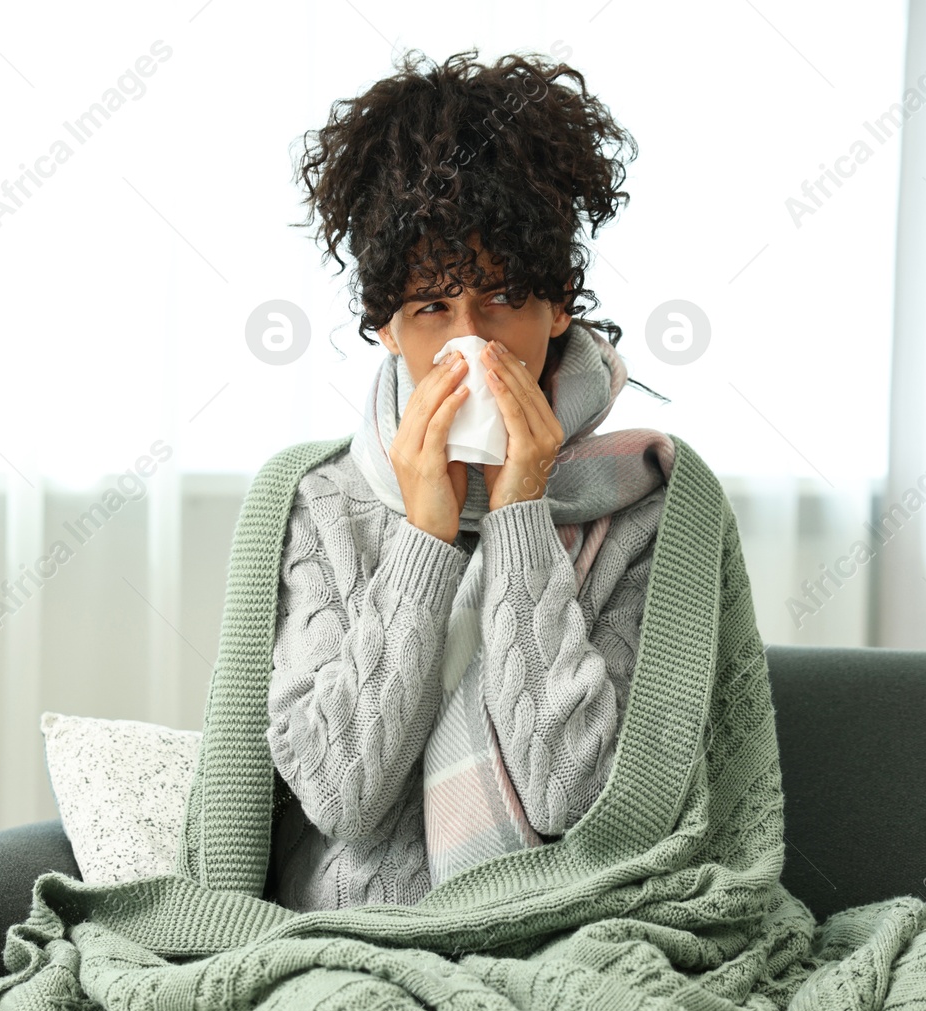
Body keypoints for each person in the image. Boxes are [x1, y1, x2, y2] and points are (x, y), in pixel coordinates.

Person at [266, 47, 673, 911]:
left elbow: (572, 794)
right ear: (384, 325)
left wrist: (523, 514)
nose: (472, 342)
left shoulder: (643, 501)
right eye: (432, 309)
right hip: (356, 937)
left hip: (555, 923)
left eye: (501, 299)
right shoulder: (324, 506)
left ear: (558, 302)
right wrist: (425, 538)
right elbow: (342, 796)